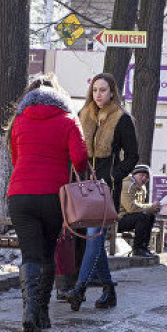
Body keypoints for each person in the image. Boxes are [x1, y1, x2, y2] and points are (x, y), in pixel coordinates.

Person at [6, 74, 88, 332]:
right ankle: (41, 313)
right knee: (48, 253)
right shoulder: (68, 119)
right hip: (53, 196)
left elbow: (15, 158)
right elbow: (81, 160)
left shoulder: (19, 120)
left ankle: (29, 312)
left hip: (20, 196)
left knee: (29, 254)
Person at [62, 72, 139, 311]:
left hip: (106, 189)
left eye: (103, 90)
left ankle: (80, 288)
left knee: (95, 237)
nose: (98, 94)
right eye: (95, 90)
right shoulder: (82, 115)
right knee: (94, 240)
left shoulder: (121, 119)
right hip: (84, 189)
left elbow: (133, 156)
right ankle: (109, 291)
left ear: (112, 92)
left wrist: (114, 175)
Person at [117, 164, 161, 258]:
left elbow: (142, 207)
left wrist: (153, 209)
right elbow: (131, 207)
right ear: (134, 174)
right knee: (143, 216)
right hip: (118, 220)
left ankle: (144, 247)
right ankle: (138, 249)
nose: (144, 178)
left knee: (149, 215)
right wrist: (151, 206)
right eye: (141, 175)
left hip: (130, 218)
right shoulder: (128, 185)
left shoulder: (142, 188)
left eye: (146, 177)